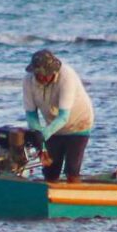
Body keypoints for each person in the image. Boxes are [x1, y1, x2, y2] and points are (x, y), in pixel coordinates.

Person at [23, 49, 94, 183]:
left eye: (46, 75)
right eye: (39, 75)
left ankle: (74, 198)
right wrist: (39, 140)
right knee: (50, 170)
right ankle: (48, 198)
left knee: (72, 170)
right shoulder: (28, 80)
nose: (42, 78)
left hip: (78, 124)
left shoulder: (67, 76)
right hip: (53, 126)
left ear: (53, 71)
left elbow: (63, 117)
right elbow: (31, 114)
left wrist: (44, 134)